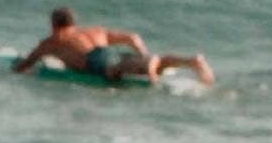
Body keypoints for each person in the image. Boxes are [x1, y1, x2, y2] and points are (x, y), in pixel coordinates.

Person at [13, 6, 215, 85]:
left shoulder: (52, 42)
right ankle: (191, 61)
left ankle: (147, 64)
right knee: (157, 64)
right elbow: (133, 38)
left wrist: (13, 70)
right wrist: (143, 53)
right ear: (73, 22)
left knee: (113, 70)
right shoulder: (95, 31)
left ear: (53, 24)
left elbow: (25, 64)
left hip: (96, 59)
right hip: (110, 50)